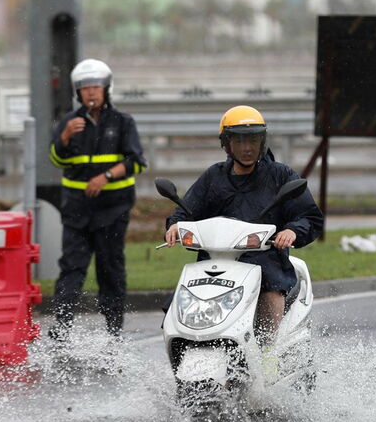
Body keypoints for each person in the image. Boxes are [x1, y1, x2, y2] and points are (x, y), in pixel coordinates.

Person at [164, 105, 324, 346]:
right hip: (216, 260)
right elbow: (187, 209)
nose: (247, 147)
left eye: (253, 140)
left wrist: (292, 230)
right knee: (177, 300)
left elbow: (309, 216)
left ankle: (269, 350)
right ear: (227, 144)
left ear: (262, 142)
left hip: (265, 260)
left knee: (271, 289)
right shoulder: (214, 177)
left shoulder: (281, 176)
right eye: (239, 141)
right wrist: (176, 225)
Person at [47, 58, 148, 341]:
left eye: (96, 86)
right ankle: (62, 325)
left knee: (110, 268)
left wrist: (106, 176)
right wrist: (64, 137)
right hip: (76, 210)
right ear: (77, 92)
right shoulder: (69, 122)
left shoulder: (123, 122)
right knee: (71, 267)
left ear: (106, 89)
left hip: (112, 209)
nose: (91, 91)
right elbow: (56, 159)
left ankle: (114, 328)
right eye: (85, 87)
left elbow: (136, 162)